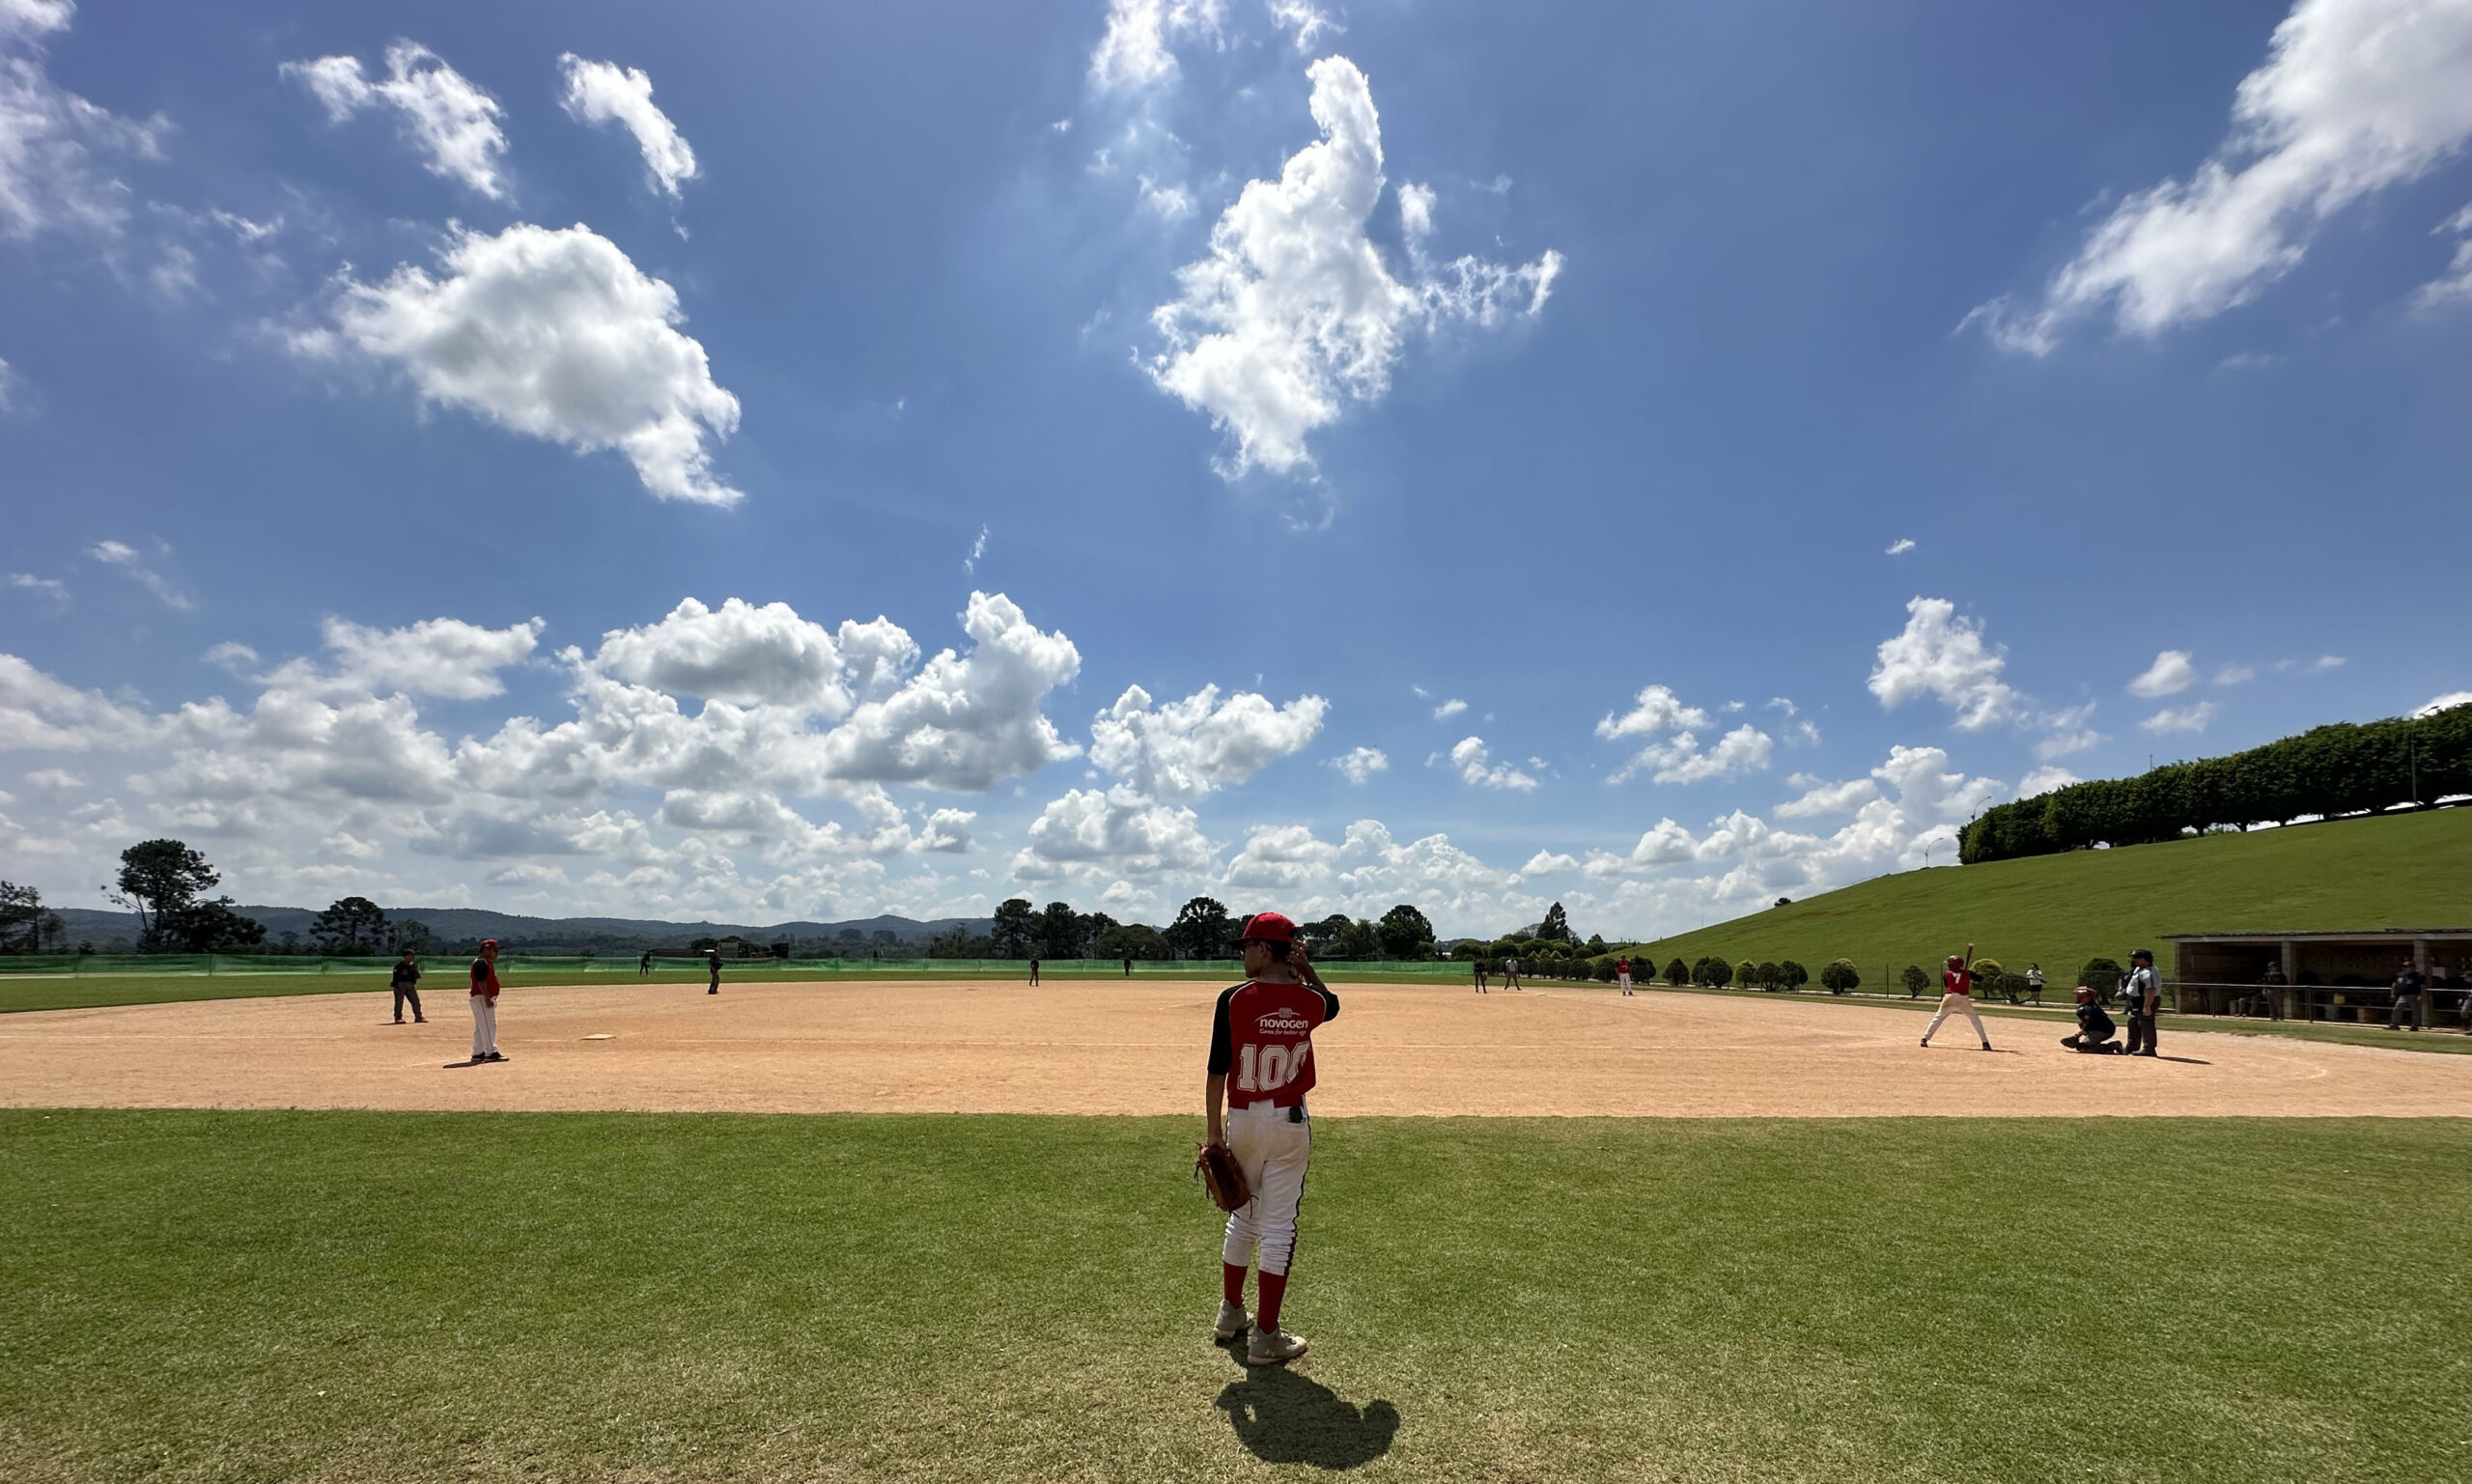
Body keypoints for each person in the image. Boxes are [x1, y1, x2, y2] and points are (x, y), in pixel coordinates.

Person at [1204, 910, 1338, 1367]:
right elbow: (1333, 1004)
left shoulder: (1234, 999)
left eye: (1246, 947)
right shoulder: (1310, 1002)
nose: (1242, 955)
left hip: (1242, 1121)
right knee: (1279, 1228)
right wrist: (1307, 970)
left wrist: (1211, 1133)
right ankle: (1265, 1336)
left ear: (1264, 949)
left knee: (1243, 1218)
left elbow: (1217, 1069)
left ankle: (1230, 1313)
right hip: (1288, 1122)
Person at [1920, 949, 1993, 1051]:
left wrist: (1965, 974)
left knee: (1937, 1019)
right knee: (1975, 1020)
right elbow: (1981, 978)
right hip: (1963, 999)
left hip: (1949, 998)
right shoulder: (1967, 973)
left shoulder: (1946, 973)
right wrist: (1968, 974)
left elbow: (1947, 985)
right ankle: (1985, 1043)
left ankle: (1925, 1039)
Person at [467, 938, 504, 1064]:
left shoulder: (484, 962)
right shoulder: (481, 962)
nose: (497, 952)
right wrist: (487, 998)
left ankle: (478, 1052)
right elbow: (481, 982)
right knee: (489, 1026)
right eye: (495, 949)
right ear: (486, 950)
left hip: (481, 998)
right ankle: (491, 1052)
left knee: (481, 1026)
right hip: (481, 998)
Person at [2122, 948, 2161, 1056]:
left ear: (2143, 960)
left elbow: (2151, 990)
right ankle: (2132, 1046)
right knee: (2133, 1022)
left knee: (2146, 1023)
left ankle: (2149, 1049)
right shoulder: (2139, 969)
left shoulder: (2149, 973)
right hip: (2137, 1000)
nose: (2133, 961)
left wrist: (2147, 1006)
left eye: (2135, 959)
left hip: (2145, 1000)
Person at [2061, 987, 2121, 1052]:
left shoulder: (2088, 1008)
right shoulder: (2089, 1005)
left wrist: (2078, 1035)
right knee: (2082, 1027)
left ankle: (2114, 1045)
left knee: (2084, 1047)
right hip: (2101, 1028)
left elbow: (2091, 1021)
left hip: (2104, 1030)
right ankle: (2094, 1043)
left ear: (2087, 997)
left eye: (2080, 995)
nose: (2078, 997)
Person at [389, 949, 425, 1024]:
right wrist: (396, 986)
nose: (413, 957)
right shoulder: (399, 966)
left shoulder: (413, 965)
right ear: (406, 956)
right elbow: (395, 977)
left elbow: (416, 976)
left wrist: (415, 978)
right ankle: (398, 1018)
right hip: (400, 984)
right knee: (399, 1002)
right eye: (411, 955)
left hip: (410, 985)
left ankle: (418, 1017)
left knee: (415, 1001)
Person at [2389, 959, 2426, 1032]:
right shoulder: (2400, 975)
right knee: (2397, 1009)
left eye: (2407, 966)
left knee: (2416, 1011)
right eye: (2404, 966)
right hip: (2402, 995)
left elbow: (2422, 986)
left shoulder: (2418, 976)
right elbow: (2394, 985)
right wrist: (2392, 994)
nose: (2405, 968)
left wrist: (2421, 995)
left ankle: (2415, 1025)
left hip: (2413, 995)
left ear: (2413, 967)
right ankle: (2394, 1024)